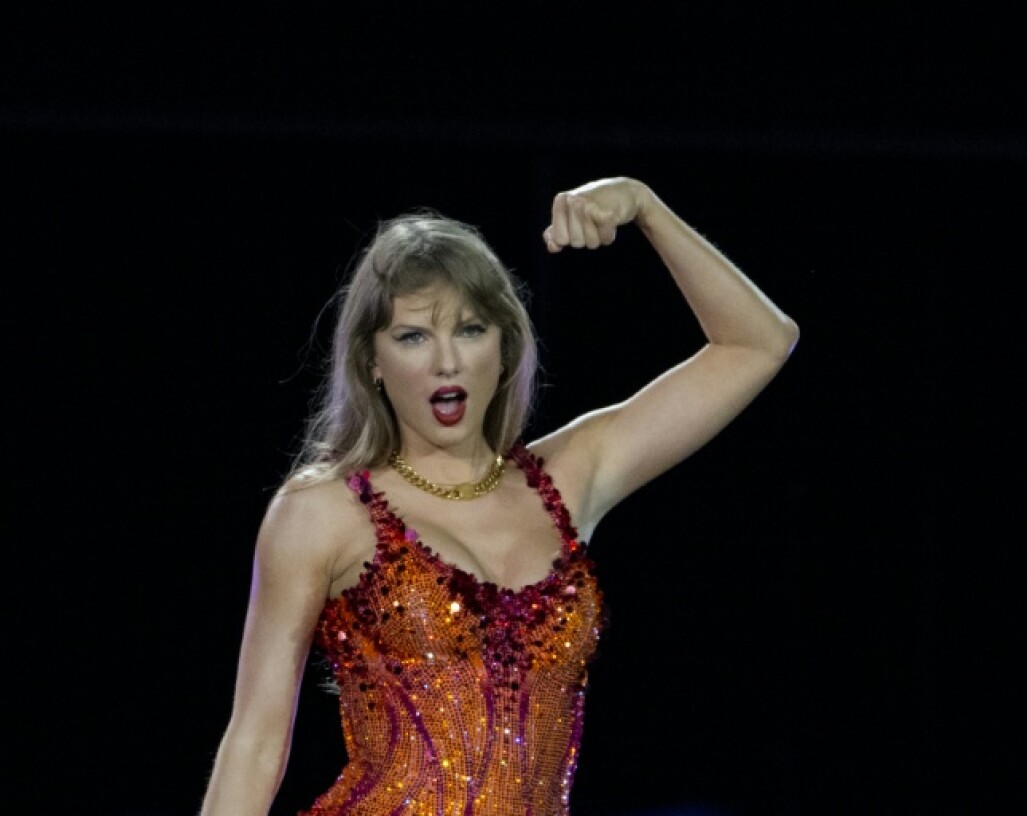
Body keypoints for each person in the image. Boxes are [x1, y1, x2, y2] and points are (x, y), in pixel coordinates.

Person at [198, 176, 799, 815]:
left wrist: (642, 203)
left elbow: (758, 343)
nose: (446, 362)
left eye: (471, 329)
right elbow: (256, 742)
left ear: (505, 346)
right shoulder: (322, 512)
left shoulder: (568, 478)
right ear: (372, 362)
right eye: (412, 337)